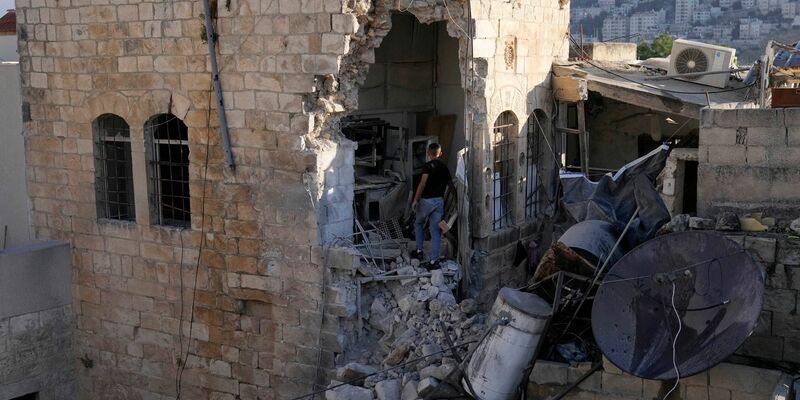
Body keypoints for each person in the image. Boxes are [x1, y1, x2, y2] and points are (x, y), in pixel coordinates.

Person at [411, 143, 453, 264]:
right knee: (435, 231)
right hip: (439, 202)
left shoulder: (427, 166)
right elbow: (451, 186)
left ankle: (419, 251)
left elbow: (422, 183)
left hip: (426, 201)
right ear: (440, 153)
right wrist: (456, 199)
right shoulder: (444, 167)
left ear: (428, 153)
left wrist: (415, 200)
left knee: (418, 223)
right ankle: (434, 261)